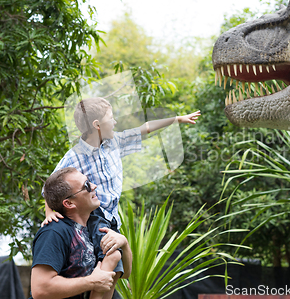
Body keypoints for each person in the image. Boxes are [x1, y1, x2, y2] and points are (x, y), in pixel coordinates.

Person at [41, 97, 200, 295]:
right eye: (111, 117)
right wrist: (49, 213)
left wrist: (176, 119)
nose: (115, 121)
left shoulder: (114, 142)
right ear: (97, 125)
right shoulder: (75, 156)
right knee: (112, 256)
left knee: (118, 267)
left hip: (112, 217)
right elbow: (50, 187)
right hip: (95, 216)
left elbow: (146, 128)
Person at [31, 167, 132, 299]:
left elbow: (125, 274)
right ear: (69, 203)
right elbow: (40, 289)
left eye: (89, 181)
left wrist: (124, 243)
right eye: (86, 186)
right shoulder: (54, 232)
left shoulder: (95, 230)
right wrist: (93, 282)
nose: (94, 186)